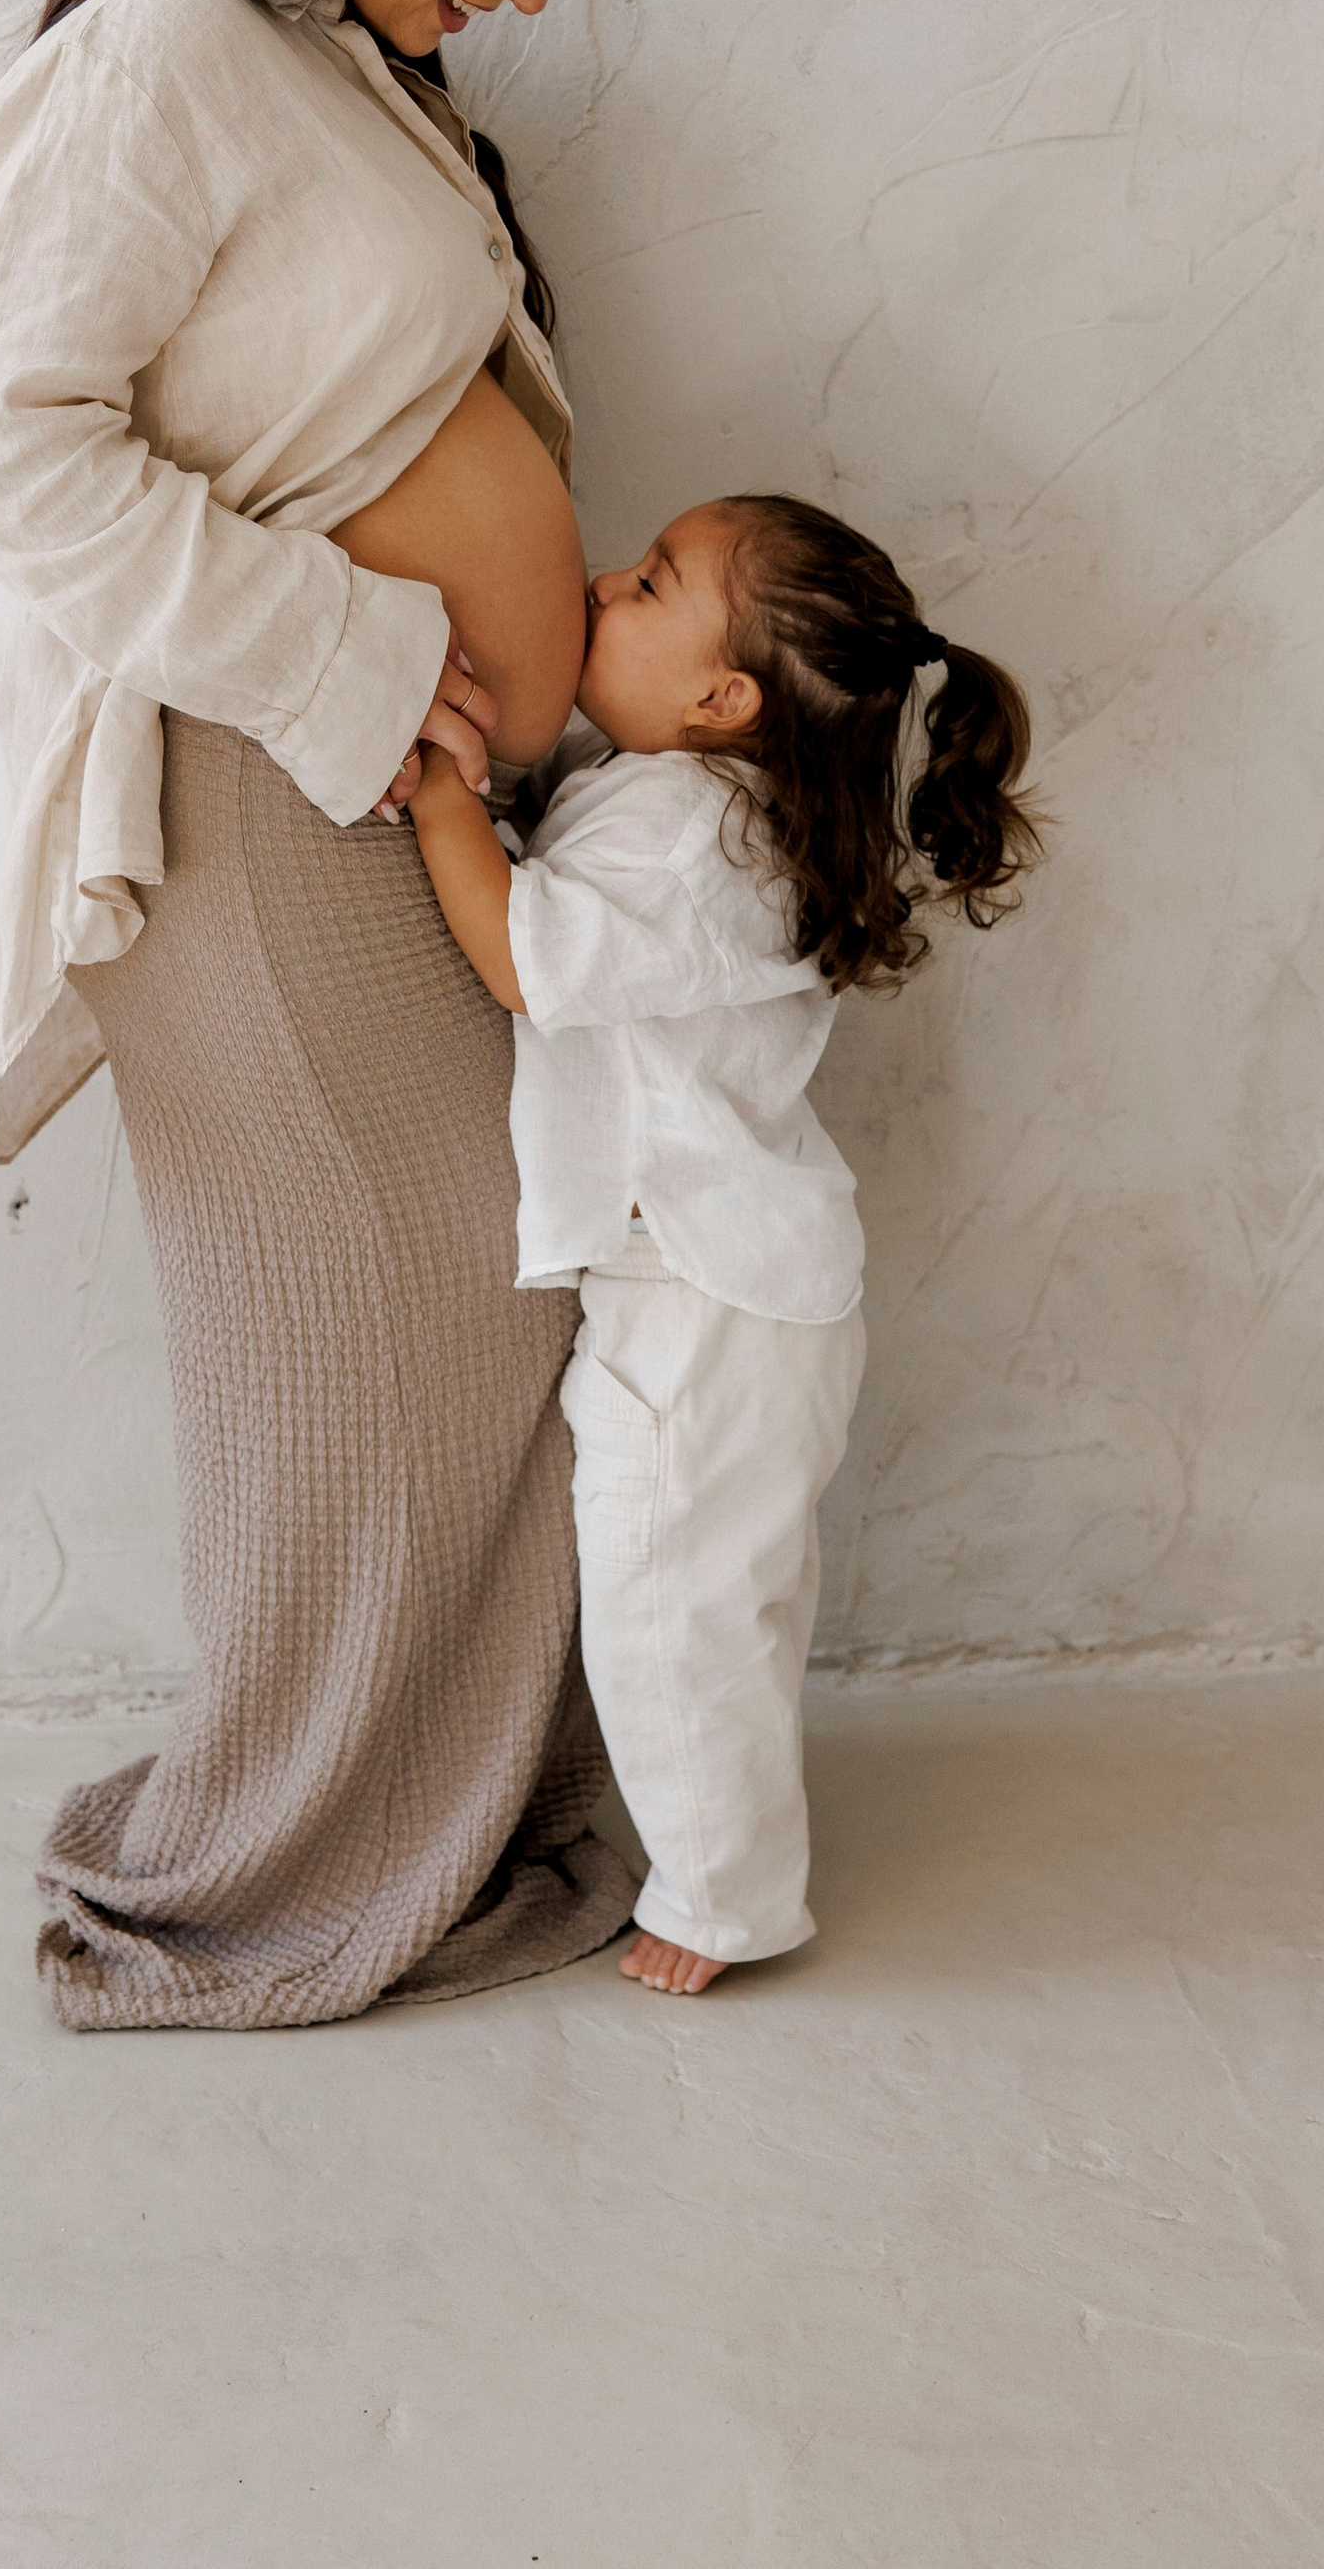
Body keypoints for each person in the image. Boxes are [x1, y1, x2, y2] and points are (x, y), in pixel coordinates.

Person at [0, 0, 651, 2029]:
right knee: (401, 1311)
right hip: (242, 792)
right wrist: (352, 662)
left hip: (370, 793)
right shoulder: (157, 56)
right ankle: (269, 1878)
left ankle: (421, 1826)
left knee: (466, 1298)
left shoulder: (333, 60)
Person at [402, 492, 1043, 1994]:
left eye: (649, 585)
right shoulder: (675, 799)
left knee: (674, 1606)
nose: (604, 586)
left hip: (708, 1302)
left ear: (721, 697)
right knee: (713, 1596)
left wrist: (441, 803)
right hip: (727, 1290)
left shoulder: (699, 835)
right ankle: (722, 1854)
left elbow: (526, 956)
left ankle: (725, 1898)